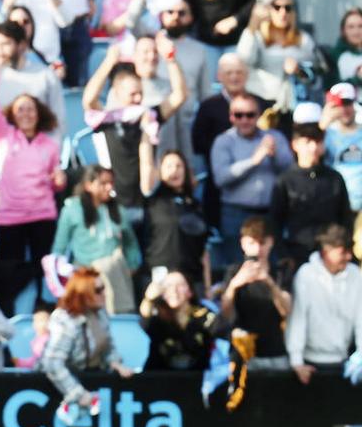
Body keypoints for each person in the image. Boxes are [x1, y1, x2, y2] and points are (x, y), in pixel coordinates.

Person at [0, 55, 64, 316]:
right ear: (12, 115)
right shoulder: (2, 136)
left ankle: (45, 308)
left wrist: (59, 181)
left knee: (44, 266)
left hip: (42, 215)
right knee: (8, 270)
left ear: (39, 114)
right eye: (20, 109)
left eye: (31, 109)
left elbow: (56, 179)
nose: (26, 113)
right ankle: (8, 314)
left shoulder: (50, 145)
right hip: (10, 215)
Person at [83, 39, 189, 219]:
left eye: (140, 93)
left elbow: (180, 95)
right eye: (132, 93)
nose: (138, 98)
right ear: (117, 93)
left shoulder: (149, 116)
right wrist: (109, 62)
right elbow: (89, 100)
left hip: (148, 202)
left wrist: (171, 60)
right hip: (116, 204)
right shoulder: (107, 119)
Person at [39, 266, 135, 424]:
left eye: (103, 288)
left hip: (89, 382)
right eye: (98, 290)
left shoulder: (101, 314)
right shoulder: (65, 320)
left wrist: (114, 362)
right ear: (84, 294)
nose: (104, 293)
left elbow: (107, 346)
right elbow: (52, 363)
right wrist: (78, 394)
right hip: (56, 390)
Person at [210, 91, 293, 265]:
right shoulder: (223, 141)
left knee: (272, 264)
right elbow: (221, 178)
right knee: (238, 265)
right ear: (231, 117)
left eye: (250, 115)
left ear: (258, 116)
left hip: (270, 212)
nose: (245, 120)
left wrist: (274, 155)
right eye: (239, 115)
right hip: (236, 213)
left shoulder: (274, 137)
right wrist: (253, 161)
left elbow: (290, 171)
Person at [52, 165, 142, 314]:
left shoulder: (118, 210)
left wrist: (132, 265)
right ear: (88, 185)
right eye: (103, 183)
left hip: (116, 275)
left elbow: (130, 241)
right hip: (85, 275)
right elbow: (59, 247)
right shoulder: (72, 210)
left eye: (111, 183)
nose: (108, 187)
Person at [285, 224, 362, 386]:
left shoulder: (356, 275)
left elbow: (361, 320)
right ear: (326, 251)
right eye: (343, 252)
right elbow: (298, 319)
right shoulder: (306, 274)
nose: (349, 257)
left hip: (345, 364)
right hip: (309, 366)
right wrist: (297, 361)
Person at [270, 121, 353, 268]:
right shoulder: (285, 180)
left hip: (331, 253)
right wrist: (284, 255)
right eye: (308, 142)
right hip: (297, 252)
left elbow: (345, 218)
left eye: (318, 142)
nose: (313, 147)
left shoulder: (334, 178)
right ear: (295, 145)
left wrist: (343, 248)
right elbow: (275, 222)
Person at [218, 216, 293, 369]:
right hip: (243, 353)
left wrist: (269, 282)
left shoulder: (280, 272)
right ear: (243, 244)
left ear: (270, 242)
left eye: (262, 243)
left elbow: (286, 310)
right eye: (252, 243)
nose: (258, 249)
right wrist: (234, 285)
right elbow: (225, 314)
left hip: (275, 352)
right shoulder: (233, 272)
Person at [192, 53, 256, 227]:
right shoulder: (208, 107)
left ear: (247, 74)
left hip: (255, 186)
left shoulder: (260, 104)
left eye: (238, 72)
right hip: (218, 187)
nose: (234, 77)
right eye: (229, 73)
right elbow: (198, 142)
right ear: (219, 76)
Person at [236, 0, 317, 112]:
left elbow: (315, 73)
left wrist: (298, 70)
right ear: (268, 9)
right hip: (262, 99)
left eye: (288, 8)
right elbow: (244, 59)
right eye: (277, 7)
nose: (283, 12)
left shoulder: (303, 39)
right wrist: (253, 24)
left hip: (293, 103)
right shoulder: (257, 36)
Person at [139, 149, 210, 290]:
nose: (175, 171)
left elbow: (204, 251)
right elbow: (146, 166)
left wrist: (207, 286)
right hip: (159, 278)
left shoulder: (195, 205)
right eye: (169, 166)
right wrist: (146, 132)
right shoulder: (152, 200)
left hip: (192, 279)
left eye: (179, 166)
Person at [0, 21, 67, 134]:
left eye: (5, 44)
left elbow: (58, 119)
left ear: (22, 45)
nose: (0, 51)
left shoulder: (46, 75)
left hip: (40, 147)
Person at [138, 271, 216, 371]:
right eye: (168, 286)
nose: (174, 290)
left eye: (180, 285)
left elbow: (220, 328)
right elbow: (145, 320)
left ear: (190, 291)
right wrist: (148, 298)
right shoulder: (158, 318)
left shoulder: (203, 314)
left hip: (196, 380)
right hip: (160, 379)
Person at [322, 82, 362, 217]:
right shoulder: (325, 134)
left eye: (347, 103)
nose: (344, 110)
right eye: (338, 106)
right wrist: (324, 123)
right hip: (335, 206)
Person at [329, 8, 362, 89]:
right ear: (343, 30)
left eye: (360, 26)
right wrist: (357, 79)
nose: (356, 31)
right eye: (351, 27)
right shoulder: (335, 56)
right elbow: (331, 87)